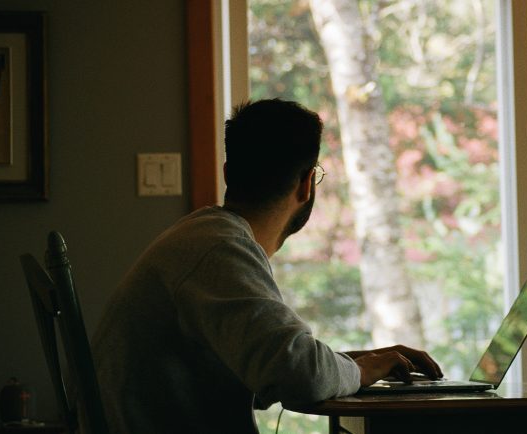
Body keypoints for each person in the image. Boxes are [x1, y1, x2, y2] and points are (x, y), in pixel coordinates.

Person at [91, 98, 443, 434]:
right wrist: (362, 369)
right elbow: (300, 376)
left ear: (228, 173)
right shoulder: (219, 248)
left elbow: (268, 365)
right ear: (306, 184)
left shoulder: (202, 238)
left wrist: (357, 363)